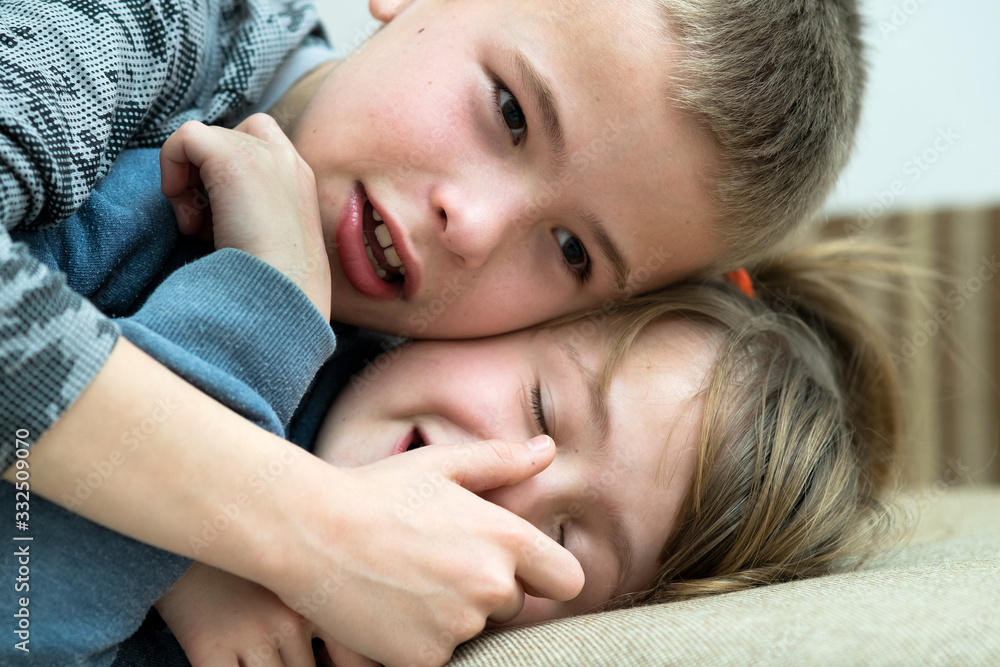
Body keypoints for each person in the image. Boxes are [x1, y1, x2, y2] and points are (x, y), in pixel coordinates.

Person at [0, 0, 867, 662]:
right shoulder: (150, 29)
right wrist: (277, 523)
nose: (475, 223)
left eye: (571, 251)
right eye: (511, 112)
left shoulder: (386, 398)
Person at [141, 240, 903, 665]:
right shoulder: (226, 266)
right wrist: (177, 544)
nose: (514, 489)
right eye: (543, 406)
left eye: (564, 539)